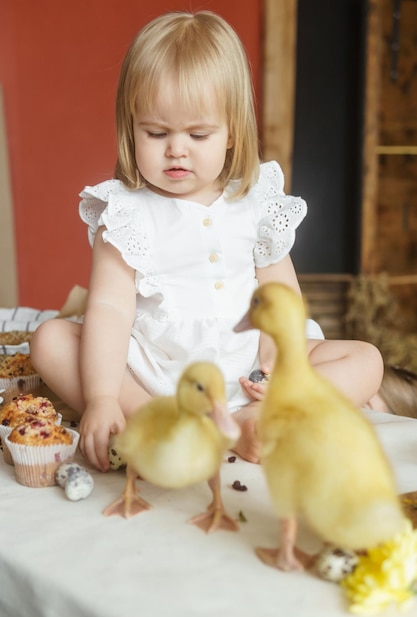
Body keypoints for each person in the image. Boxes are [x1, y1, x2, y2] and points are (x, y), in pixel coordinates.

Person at [30, 10, 383, 471]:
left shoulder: (255, 200)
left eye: (198, 134)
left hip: (251, 365)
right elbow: (110, 310)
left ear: (233, 132)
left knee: (366, 360)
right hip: (163, 376)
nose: (177, 148)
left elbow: (280, 294)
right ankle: (163, 424)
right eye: (156, 133)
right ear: (130, 126)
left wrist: (282, 363)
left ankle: (264, 417)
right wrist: (99, 397)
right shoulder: (127, 211)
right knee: (51, 340)